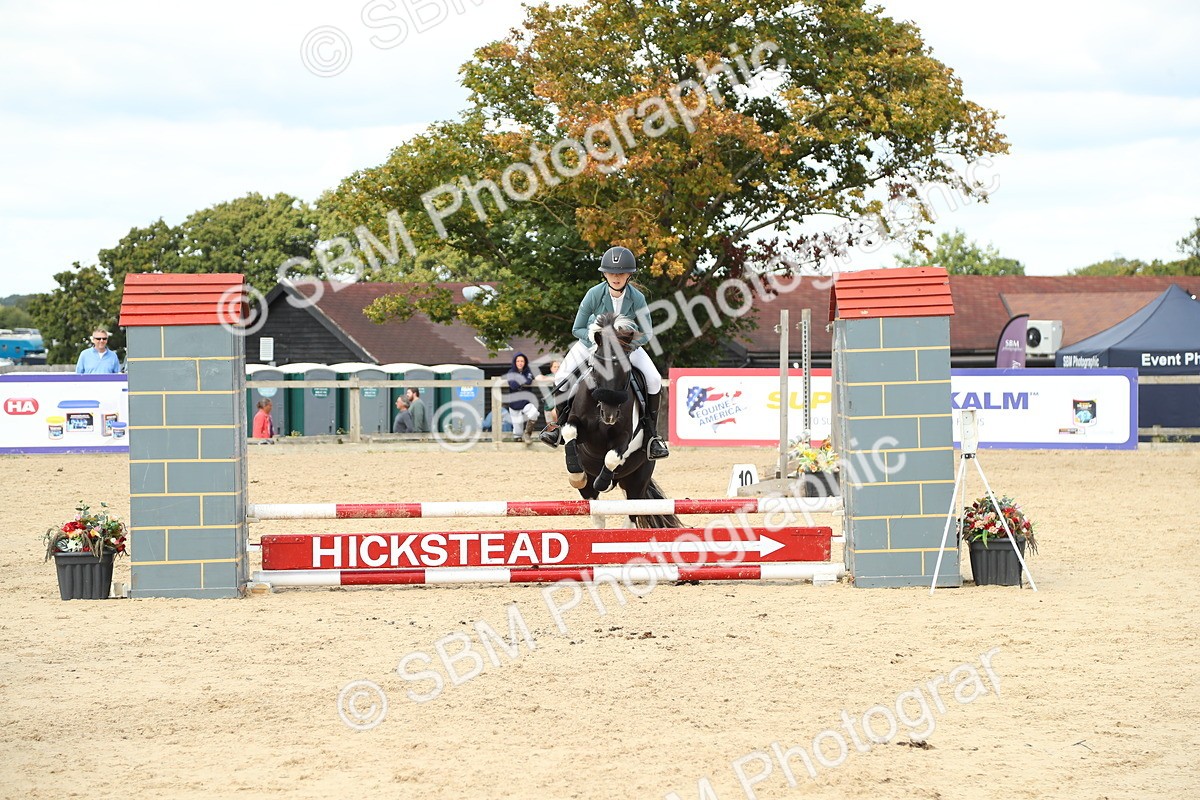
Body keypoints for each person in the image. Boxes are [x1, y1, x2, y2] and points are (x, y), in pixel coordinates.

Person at [538, 246, 669, 459]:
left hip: (626, 348)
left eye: (621, 273)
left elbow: (647, 332)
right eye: (611, 273)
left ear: (629, 275)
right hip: (592, 344)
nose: (616, 277)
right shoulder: (594, 294)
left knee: (654, 379)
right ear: (605, 274)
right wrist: (596, 341)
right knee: (562, 376)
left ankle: (651, 436)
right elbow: (577, 328)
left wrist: (626, 346)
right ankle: (558, 426)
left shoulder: (637, 298)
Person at [504, 352, 540, 442]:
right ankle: (518, 441)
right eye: (518, 361)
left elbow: (529, 381)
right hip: (514, 403)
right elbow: (513, 385)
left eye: (522, 361)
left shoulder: (528, 371)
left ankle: (528, 433)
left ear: (525, 362)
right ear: (515, 362)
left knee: (534, 413)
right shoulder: (511, 372)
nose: (520, 363)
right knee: (517, 432)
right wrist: (522, 380)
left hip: (525, 401)